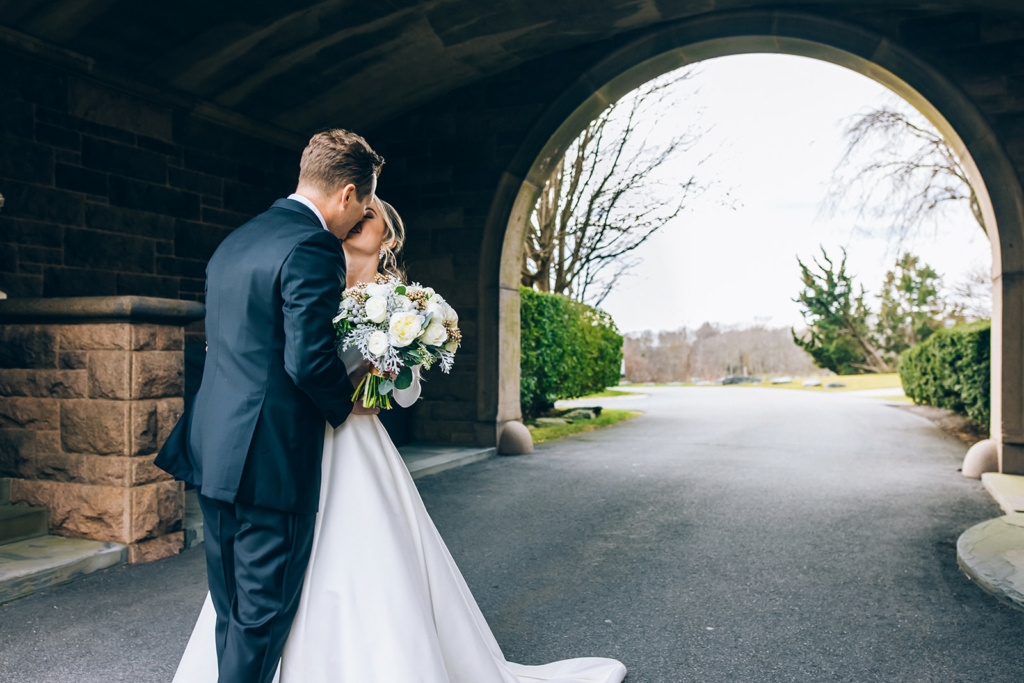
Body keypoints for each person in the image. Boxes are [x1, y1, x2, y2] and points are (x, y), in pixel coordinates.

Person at [171, 197, 628, 683]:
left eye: (373, 216)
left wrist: (381, 381)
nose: (361, 216)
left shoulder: (402, 303)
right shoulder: (303, 266)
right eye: (360, 209)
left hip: (353, 443)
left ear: (389, 238)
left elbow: (406, 392)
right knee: (263, 571)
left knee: (362, 557)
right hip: (285, 440)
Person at [155, 129, 385, 683]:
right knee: (262, 615)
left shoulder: (235, 241)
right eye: (361, 209)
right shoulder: (312, 246)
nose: (356, 222)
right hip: (270, 459)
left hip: (215, 450)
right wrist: (349, 400)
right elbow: (307, 361)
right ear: (348, 193)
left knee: (232, 611)